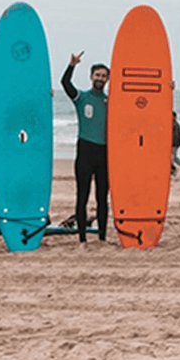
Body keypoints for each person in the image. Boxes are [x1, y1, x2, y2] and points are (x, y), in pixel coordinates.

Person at [61, 51, 109, 243]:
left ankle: (102, 236)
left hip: (104, 152)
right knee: (82, 195)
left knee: (102, 197)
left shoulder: (112, 101)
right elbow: (65, 84)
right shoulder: (82, 97)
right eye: (97, 75)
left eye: (104, 76)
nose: (100, 78)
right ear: (91, 77)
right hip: (85, 150)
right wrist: (72, 65)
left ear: (108, 79)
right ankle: (82, 237)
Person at [171, 111, 180, 178]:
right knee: (174, 157)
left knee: (173, 158)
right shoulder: (176, 123)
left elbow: (175, 135)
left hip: (174, 143)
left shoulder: (174, 124)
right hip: (176, 143)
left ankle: (173, 171)